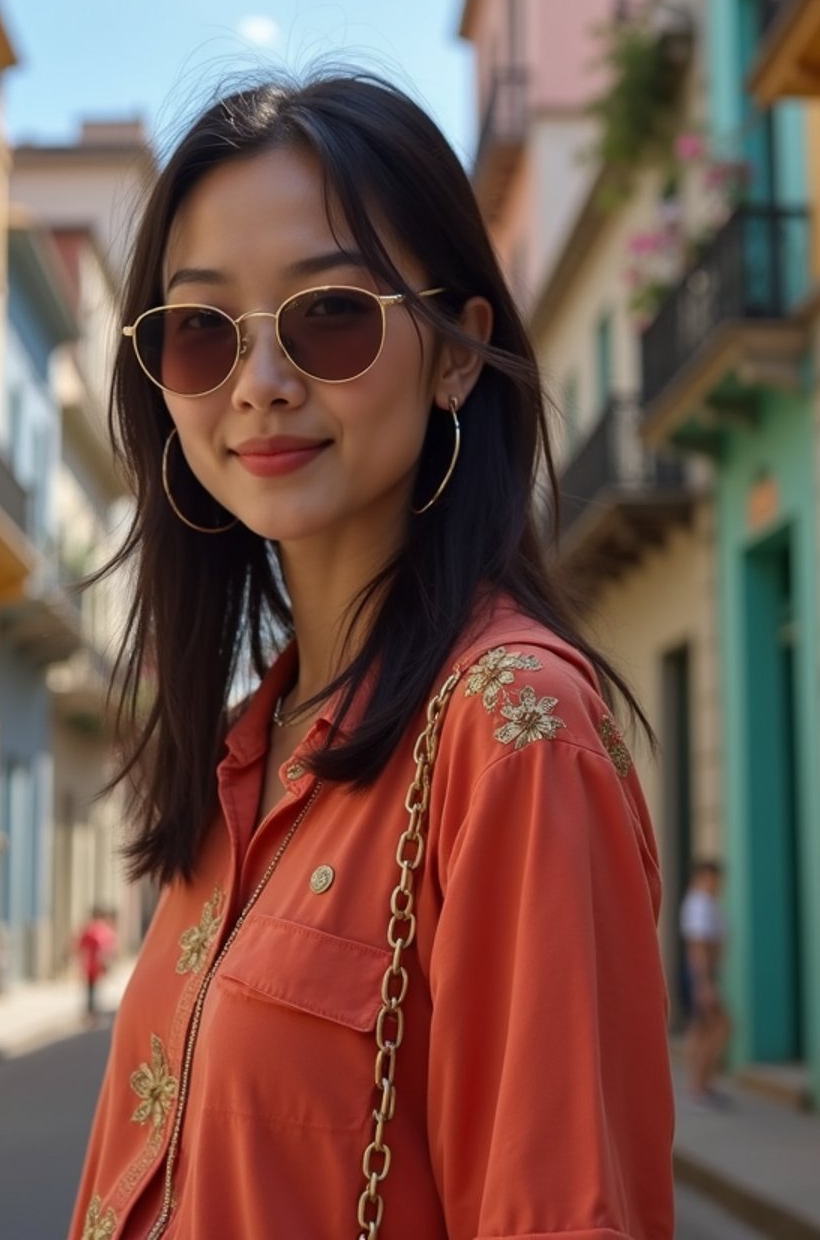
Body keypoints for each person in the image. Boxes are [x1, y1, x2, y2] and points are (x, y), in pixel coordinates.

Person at [68, 74, 674, 1240]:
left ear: (456, 355)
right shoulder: (242, 748)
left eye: (330, 314)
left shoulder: (512, 731)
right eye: (200, 332)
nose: (259, 384)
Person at [680, 859, 731, 1107]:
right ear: (701, 878)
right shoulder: (700, 904)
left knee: (702, 1030)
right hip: (701, 976)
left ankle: (700, 1086)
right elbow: (698, 946)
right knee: (721, 1027)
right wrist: (705, 985)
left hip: (703, 975)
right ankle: (701, 1085)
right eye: (711, 878)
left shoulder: (705, 903)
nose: (716, 884)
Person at [78, 906, 118, 1025]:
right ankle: (93, 1012)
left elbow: (80, 945)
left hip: (89, 964)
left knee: (91, 989)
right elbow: (107, 948)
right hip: (95, 964)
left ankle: (91, 1012)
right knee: (93, 989)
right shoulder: (102, 930)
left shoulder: (89, 929)